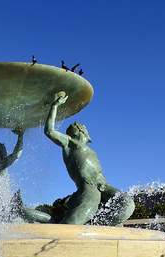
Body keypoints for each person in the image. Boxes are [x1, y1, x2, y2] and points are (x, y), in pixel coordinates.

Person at [44, 91, 134, 225]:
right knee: (70, 225)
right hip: (89, 188)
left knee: (127, 205)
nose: (73, 125)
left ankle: (98, 227)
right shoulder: (70, 143)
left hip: (104, 186)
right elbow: (49, 131)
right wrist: (55, 106)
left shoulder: (92, 151)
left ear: (82, 131)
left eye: (76, 125)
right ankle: (43, 224)